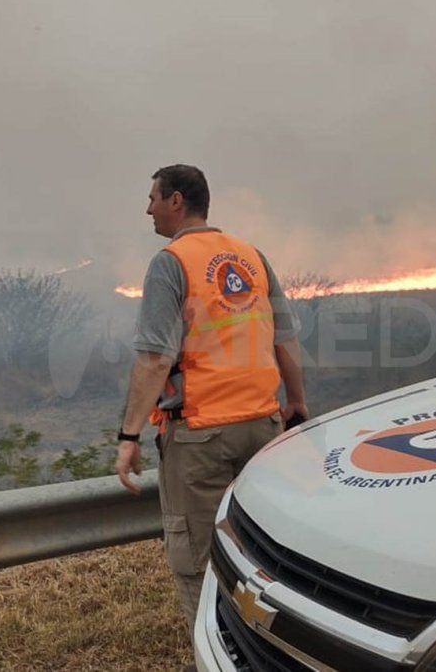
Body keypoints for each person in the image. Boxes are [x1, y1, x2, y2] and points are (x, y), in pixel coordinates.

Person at [115, 164, 308, 642]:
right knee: (260, 552)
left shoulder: (170, 262)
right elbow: (286, 340)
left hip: (200, 436)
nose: (148, 208)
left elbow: (156, 358)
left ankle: (219, 650)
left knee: (198, 562)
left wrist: (128, 435)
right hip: (263, 428)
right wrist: (297, 404)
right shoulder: (252, 257)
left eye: (154, 198)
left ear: (177, 200)